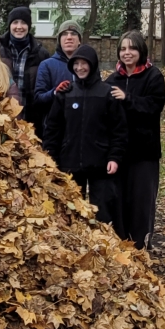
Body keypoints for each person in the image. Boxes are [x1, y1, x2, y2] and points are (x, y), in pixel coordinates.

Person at [43, 45, 127, 233]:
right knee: (72, 211)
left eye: (84, 64)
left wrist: (115, 157)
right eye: (76, 64)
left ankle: (104, 246)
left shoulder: (107, 93)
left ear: (93, 65)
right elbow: (53, 129)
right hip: (69, 162)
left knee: (103, 212)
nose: (80, 68)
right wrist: (51, 158)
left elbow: (119, 131)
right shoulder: (65, 93)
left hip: (101, 163)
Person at [104, 30, 165, 249]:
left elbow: (154, 106)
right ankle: (121, 247)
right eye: (123, 48)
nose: (127, 53)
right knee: (118, 201)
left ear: (141, 50)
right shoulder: (113, 79)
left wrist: (127, 98)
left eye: (132, 48)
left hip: (144, 152)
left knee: (141, 202)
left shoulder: (153, 76)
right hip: (119, 153)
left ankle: (141, 247)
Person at [0, 7, 50, 132]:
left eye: (24, 23)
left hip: (31, 117)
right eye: (15, 22)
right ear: (9, 25)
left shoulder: (41, 54)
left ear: (29, 26)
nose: (19, 27)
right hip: (3, 115)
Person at [34, 20, 82, 136]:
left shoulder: (88, 66)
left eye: (73, 33)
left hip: (82, 129)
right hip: (55, 131)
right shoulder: (47, 65)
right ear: (59, 40)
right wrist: (55, 92)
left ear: (79, 40)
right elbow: (38, 99)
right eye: (64, 34)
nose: (69, 37)